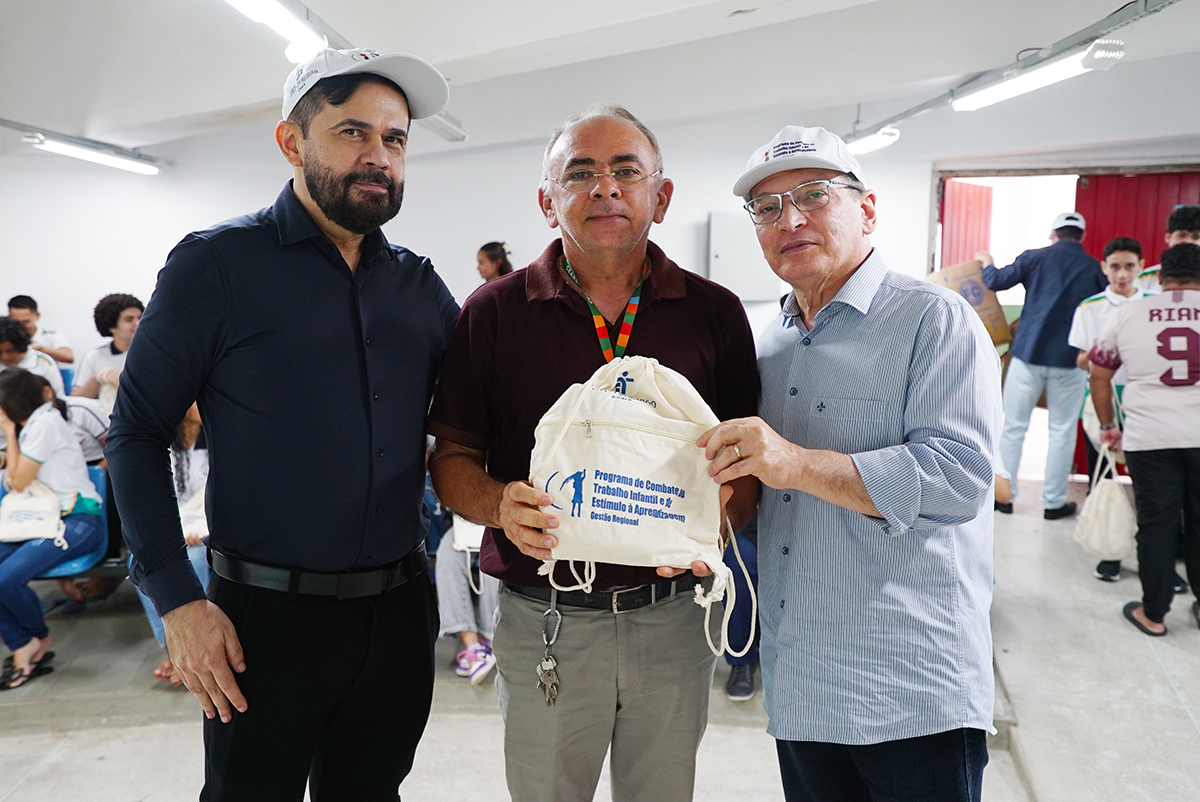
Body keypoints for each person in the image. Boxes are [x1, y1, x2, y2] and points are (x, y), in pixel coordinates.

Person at [105, 47, 457, 800]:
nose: (378, 158)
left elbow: (483, 412)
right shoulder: (217, 266)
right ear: (292, 142)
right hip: (263, 622)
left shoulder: (419, 286)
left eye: (394, 140)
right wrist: (176, 598)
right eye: (352, 133)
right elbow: (134, 434)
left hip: (396, 613)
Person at [427, 103, 760, 802]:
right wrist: (498, 506)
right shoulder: (492, 313)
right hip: (542, 615)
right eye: (579, 174)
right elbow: (452, 454)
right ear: (549, 203)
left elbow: (746, 464)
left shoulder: (714, 313)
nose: (604, 188)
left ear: (659, 198)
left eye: (625, 171)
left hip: (674, 615)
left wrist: (714, 528)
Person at [700, 125, 1000, 801]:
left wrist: (797, 464)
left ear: (866, 210)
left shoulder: (934, 320)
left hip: (910, 691)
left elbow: (957, 478)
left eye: (813, 195)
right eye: (768, 208)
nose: (791, 219)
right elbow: (755, 488)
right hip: (804, 681)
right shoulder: (768, 340)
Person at [1090, 243, 1200, 637]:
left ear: (1159, 275)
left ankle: (1153, 614)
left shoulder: (1129, 313)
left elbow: (1098, 373)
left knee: (1156, 524)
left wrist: (1108, 424)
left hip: (1149, 436)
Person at [977, 212, 1106, 519]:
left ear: (1054, 234)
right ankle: (1052, 503)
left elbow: (995, 280)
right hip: (1069, 361)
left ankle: (1003, 499)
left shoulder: (1034, 258)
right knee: (1062, 431)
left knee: (1013, 428)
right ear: (1081, 237)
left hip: (1027, 356)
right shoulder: (1093, 268)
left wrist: (985, 260)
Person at [0, 368, 104, 689]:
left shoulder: (45, 423)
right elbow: (16, 479)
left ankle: (37, 638)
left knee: (6, 578)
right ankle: (22, 642)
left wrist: (9, 433)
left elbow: (16, 480)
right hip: (39, 521)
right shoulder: (33, 426)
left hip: (78, 521)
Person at [1068, 238, 1152, 582]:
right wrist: (1104, 351)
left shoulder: (1153, 305)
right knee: (1104, 478)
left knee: (1150, 483)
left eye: (1129, 266)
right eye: (1115, 266)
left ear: (1141, 266)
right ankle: (1110, 554)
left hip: (1144, 399)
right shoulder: (1091, 308)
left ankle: (1153, 560)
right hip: (1103, 399)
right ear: (1103, 267)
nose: (1122, 273)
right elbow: (1080, 360)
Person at [134, 403, 211, 684]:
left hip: (209, 524)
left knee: (199, 559)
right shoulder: (164, 446)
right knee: (142, 561)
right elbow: (159, 502)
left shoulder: (219, 440)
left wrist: (202, 529)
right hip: (178, 525)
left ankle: (198, 645)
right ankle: (174, 647)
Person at [72, 293, 143, 412]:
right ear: (112, 327)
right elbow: (76, 401)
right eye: (129, 319)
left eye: (140, 317)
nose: (137, 323)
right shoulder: (95, 357)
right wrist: (100, 377)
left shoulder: (154, 354)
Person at [1135, 205, 1200, 294]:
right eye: (1182, 235)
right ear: (1168, 237)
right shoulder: (1145, 278)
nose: (1188, 241)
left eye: (1196, 237)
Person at [0, 317, 64, 398]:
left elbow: (57, 399)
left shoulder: (43, 363)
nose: (4, 357)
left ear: (21, 346)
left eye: (10, 351)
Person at [6, 296, 73, 366]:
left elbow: (68, 357)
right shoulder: (4, 337)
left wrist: (40, 348)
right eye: (17, 322)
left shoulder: (51, 335)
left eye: (26, 322)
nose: (21, 326)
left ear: (37, 316)